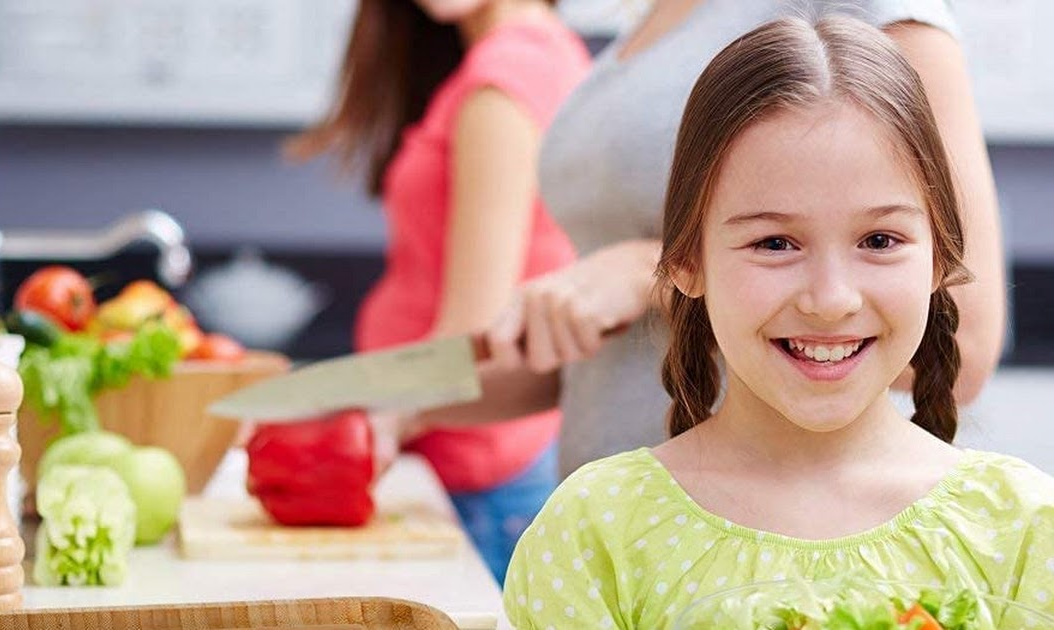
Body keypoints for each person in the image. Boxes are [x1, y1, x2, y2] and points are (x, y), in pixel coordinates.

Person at [502, 15, 1054, 628]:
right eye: (774, 244)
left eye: (878, 238)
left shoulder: (1025, 527)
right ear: (686, 260)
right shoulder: (593, 532)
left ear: (939, 258)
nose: (831, 298)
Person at [414, 0, 1007, 480]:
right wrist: (373, 398)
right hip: (611, 536)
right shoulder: (643, 27)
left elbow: (962, 345)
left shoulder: (873, 14)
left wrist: (645, 273)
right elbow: (601, 355)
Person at [287, 0, 590, 584]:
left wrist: (346, 417)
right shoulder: (545, 54)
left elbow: (471, 334)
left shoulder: (504, 80)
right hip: (482, 467)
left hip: (477, 481)